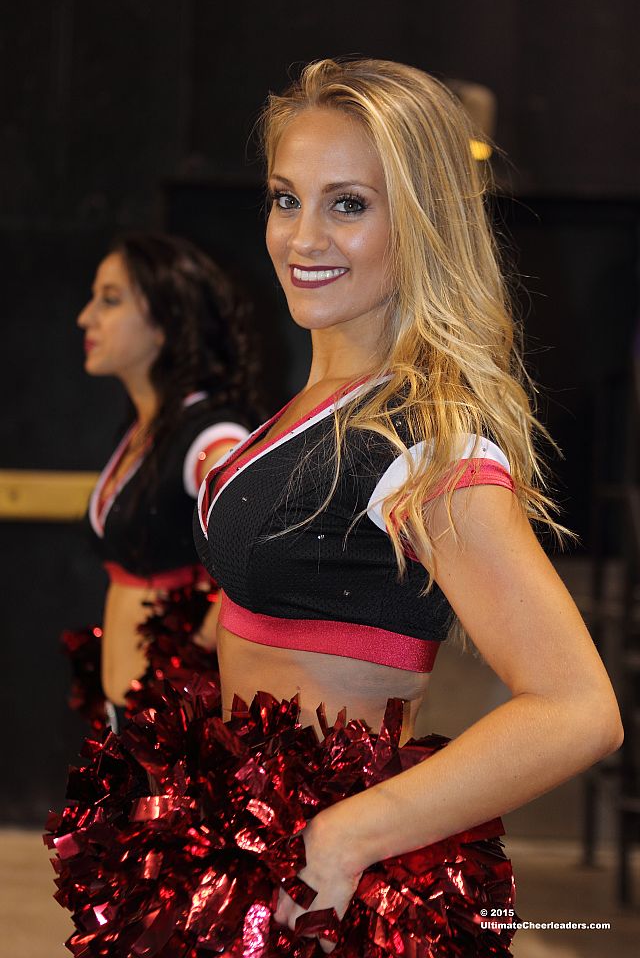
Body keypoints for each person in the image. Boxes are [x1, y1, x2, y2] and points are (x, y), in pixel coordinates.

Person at [47, 61, 622, 957]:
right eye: (286, 199)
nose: (302, 236)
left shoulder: (424, 437)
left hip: (323, 898)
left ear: (424, 221)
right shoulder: (312, 406)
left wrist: (346, 838)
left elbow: (577, 708)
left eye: (348, 204)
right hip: (234, 852)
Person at [67, 233, 256, 730]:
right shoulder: (143, 430)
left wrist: (199, 647)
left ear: (166, 324)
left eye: (110, 300)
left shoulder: (211, 435)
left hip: (174, 729)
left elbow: (260, 545)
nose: (86, 317)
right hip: (125, 719)